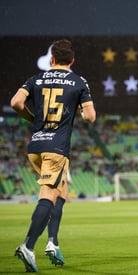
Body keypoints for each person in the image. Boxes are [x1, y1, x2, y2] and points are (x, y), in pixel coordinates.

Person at [11, 39, 96, 272]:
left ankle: (53, 242)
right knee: (48, 194)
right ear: (73, 61)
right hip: (56, 148)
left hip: (35, 147)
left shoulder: (35, 79)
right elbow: (90, 117)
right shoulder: (78, 82)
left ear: (52, 60)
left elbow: (16, 102)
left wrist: (32, 119)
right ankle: (28, 246)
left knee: (61, 191)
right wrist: (79, 105)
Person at [45, 169, 72, 267]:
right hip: (56, 161)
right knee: (60, 197)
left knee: (48, 204)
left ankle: (29, 243)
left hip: (45, 167)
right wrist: (68, 178)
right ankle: (52, 243)